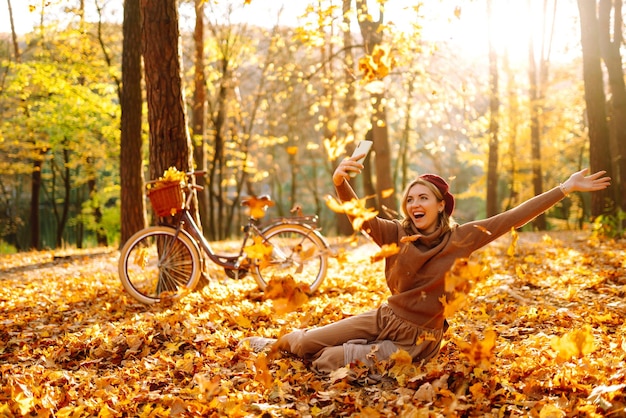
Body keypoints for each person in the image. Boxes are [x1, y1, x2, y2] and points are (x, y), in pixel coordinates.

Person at [241, 153, 611, 374]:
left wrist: (565, 188)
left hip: (419, 338)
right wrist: (339, 181)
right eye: (409, 198)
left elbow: (512, 217)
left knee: (326, 362)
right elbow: (359, 213)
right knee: (306, 343)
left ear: (440, 206)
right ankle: (274, 345)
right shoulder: (394, 232)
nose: (414, 203)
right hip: (384, 316)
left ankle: (355, 357)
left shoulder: (462, 237)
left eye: (423, 197)